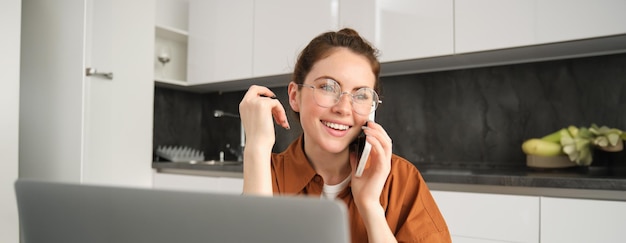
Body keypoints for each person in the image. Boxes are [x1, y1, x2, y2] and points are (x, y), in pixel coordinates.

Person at [239, 28, 451, 243]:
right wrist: (256, 146)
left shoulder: (401, 179)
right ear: (295, 96)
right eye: (328, 87)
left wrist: (370, 207)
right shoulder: (268, 173)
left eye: (361, 95)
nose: (344, 108)